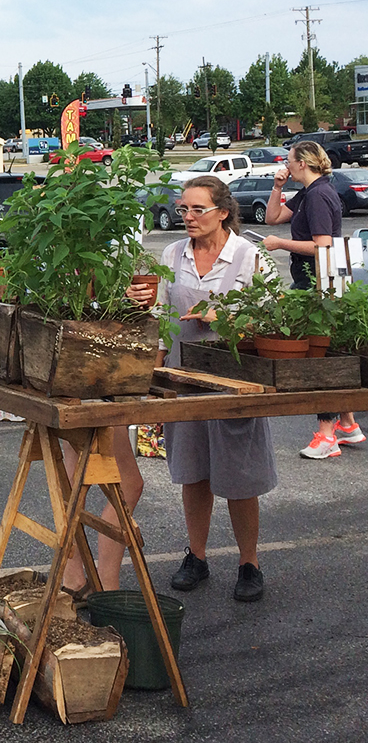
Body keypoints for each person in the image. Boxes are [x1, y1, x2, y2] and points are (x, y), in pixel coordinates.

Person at [162, 175, 277, 603]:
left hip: (233, 380)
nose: (188, 218)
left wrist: (223, 318)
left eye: (197, 210)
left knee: (239, 474)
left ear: (223, 212)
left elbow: (271, 322)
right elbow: (161, 319)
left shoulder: (249, 257)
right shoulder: (174, 253)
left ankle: (250, 562)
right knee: (193, 471)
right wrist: (154, 379)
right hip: (184, 375)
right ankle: (197, 555)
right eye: (183, 210)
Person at [263, 140, 363, 459]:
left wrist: (281, 244)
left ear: (303, 163)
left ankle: (326, 434)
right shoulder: (309, 192)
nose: (286, 165)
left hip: (319, 281)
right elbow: (272, 217)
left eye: (289, 161)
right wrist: (277, 186)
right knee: (327, 351)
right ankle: (347, 423)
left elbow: (324, 247)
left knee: (318, 355)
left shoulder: (319, 195)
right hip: (311, 278)